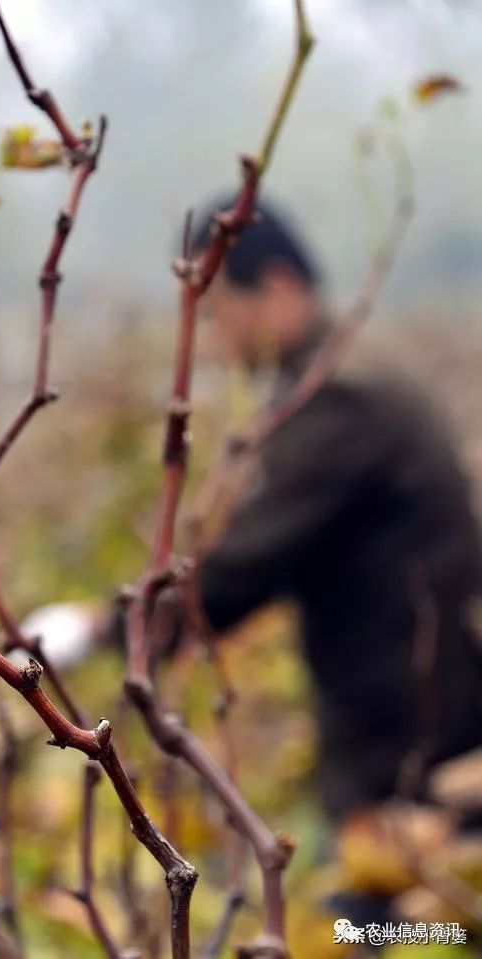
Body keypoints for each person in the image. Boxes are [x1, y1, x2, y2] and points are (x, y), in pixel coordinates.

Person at [193, 196, 482, 828]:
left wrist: (110, 627)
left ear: (277, 287)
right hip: (410, 731)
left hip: (408, 748)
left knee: (387, 895)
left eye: (216, 311)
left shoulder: (340, 399)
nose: (212, 342)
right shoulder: (350, 376)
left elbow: (242, 568)